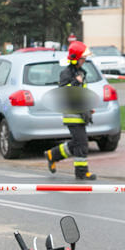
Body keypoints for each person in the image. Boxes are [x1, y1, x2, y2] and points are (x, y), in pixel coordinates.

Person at [44, 40, 97, 180]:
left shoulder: (80, 72)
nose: (84, 60)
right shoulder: (66, 73)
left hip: (81, 113)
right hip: (72, 115)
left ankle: (52, 155)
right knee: (82, 143)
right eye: (82, 58)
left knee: (77, 142)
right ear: (75, 59)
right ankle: (81, 172)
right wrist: (75, 82)